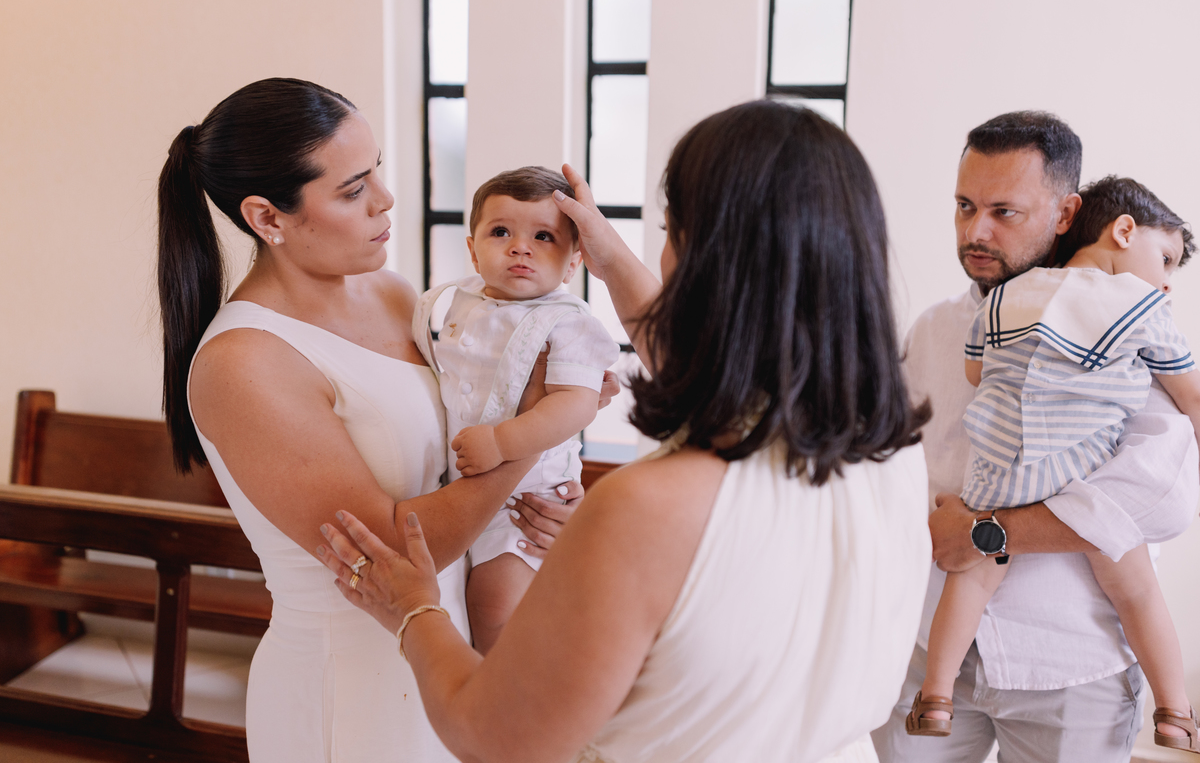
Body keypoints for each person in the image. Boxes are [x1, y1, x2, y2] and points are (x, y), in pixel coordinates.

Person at [316, 100, 934, 763]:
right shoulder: (891, 458)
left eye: (668, 233)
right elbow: (699, 354)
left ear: (699, 262)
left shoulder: (649, 507)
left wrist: (413, 609)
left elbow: (494, 737)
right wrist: (606, 258)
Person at [157, 78, 607, 762]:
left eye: (377, 172)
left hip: (446, 658)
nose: (385, 200)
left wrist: (544, 503)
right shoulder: (243, 362)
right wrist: (533, 429)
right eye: (351, 189)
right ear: (267, 217)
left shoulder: (397, 296)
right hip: (350, 689)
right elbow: (391, 551)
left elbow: (463, 448)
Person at [872, 112, 1200, 762]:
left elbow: (1159, 503)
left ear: (1063, 212)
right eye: (964, 206)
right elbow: (893, 465)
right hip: (928, 651)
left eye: (1004, 212)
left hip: (1073, 666)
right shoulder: (937, 327)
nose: (975, 231)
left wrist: (983, 532)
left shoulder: (1130, 328)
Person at [411, 166, 619, 653]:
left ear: (572, 264)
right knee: (463, 601)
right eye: (501, 232)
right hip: (458, 488)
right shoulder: (453, 305)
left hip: (526, 500)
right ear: (472, 249)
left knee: (495, 606)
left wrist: (501, 443)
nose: (520, 246)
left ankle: (500, 698)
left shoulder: (568, 323)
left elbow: (575, 404)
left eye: (543, 237)